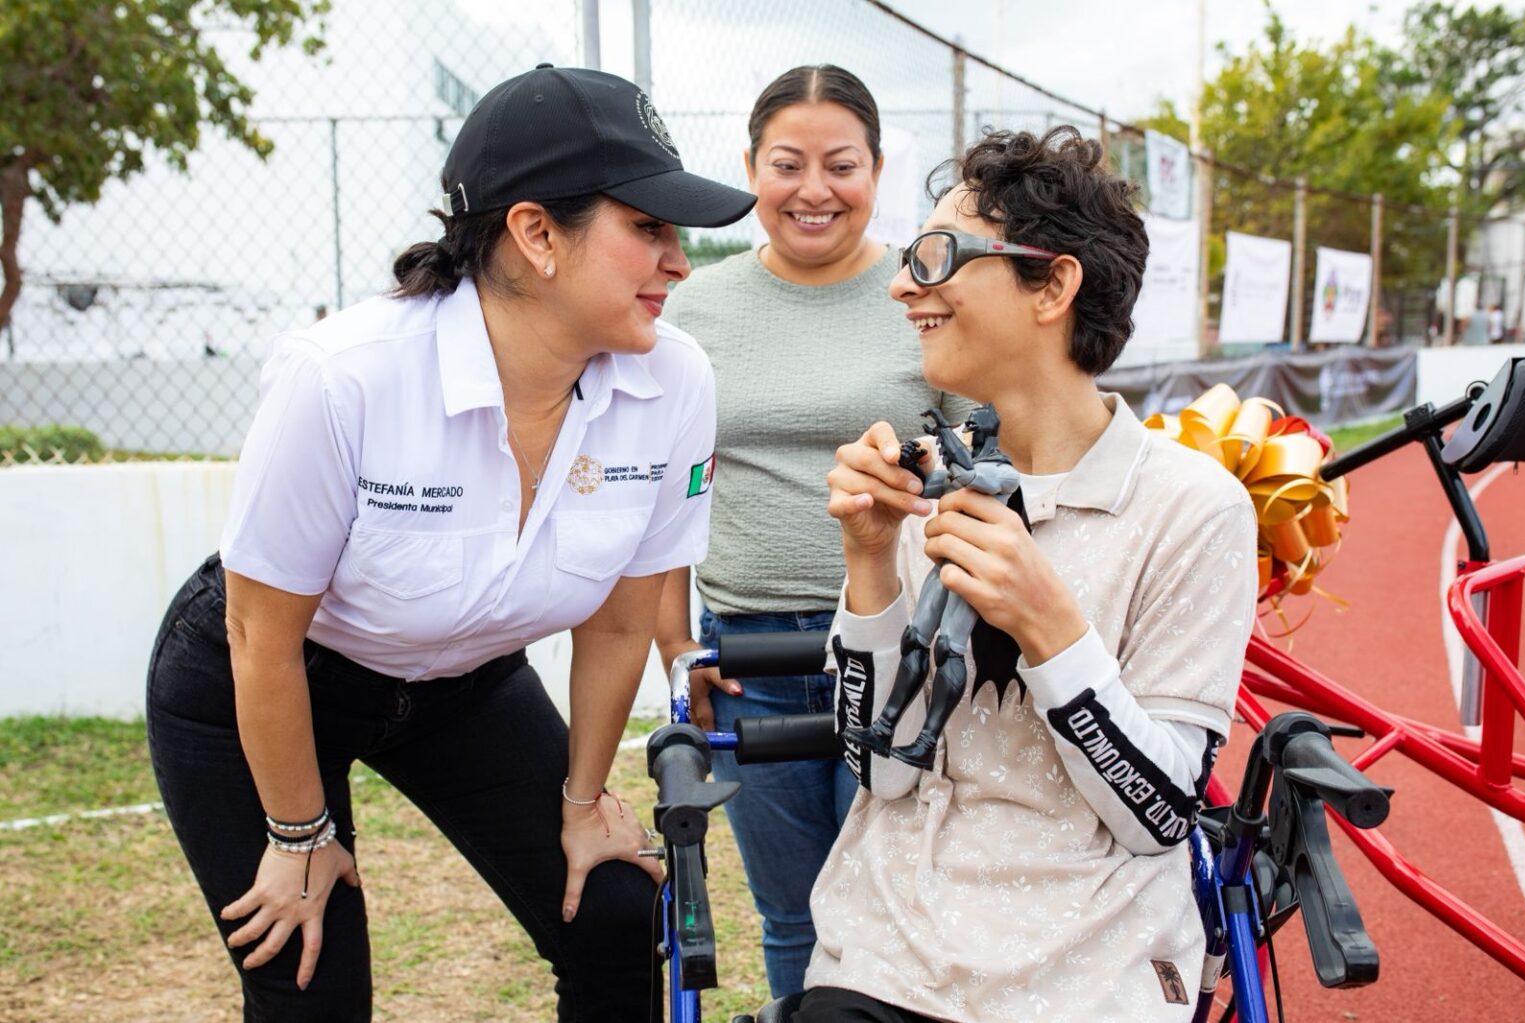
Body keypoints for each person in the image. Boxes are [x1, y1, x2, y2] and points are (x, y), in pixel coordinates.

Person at [144, 64, 755, 1023]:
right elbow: (260, 636)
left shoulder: (675, 379)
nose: (679, 261)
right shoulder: (344, 377)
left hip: (461, 682)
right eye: (648, 228)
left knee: (620, 919)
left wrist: (584, 798)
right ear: (536, 233)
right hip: (267, 676)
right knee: (310, 979)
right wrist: (298, 838)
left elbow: (622, 612)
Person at [799, 126, 1258, 1022]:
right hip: (889, 954)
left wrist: (1052, 627)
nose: (901, 283)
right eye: (906, 258)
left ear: (1051, 283)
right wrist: (867, 563)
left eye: (935, 256)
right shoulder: (927, 478)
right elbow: (878, 769)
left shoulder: (1192, 508)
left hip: (1089, 968)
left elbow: (1160, 815)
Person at [655, 64, 972, 1000]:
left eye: (842, 164)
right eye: (787, 164)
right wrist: (679, 647)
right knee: (793, 911)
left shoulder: (926, 293)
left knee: (898, 902)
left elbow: (980, 457)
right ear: (751, 165)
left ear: (877, 169)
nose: (814, 190)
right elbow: (664, 497)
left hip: (904, 641)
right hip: (750, 653)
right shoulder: (693, 309)